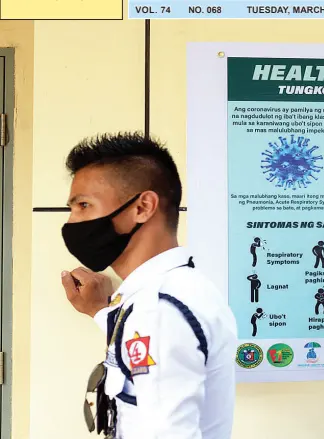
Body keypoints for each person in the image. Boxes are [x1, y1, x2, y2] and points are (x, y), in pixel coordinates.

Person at [59, 132, 236, 438]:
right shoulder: (168, 294)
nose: (72, 222)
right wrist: (102, 313)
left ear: (142, 207)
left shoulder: (159, 308)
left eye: (84, 206)